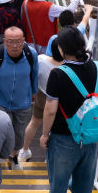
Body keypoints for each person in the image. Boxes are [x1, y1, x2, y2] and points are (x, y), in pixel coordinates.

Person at [34, 27, 98, 193]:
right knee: (85, 182)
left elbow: (50, 110)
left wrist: (44, 134)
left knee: (58, 185)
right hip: (90, 137)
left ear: (60, 48)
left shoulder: (58, 74)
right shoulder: (97, 67)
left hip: (63, 139)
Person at [0, 26, 38, 170]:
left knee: (19, 134)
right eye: (10, 42)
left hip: (23, 103)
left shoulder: (31, 54)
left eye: (18, 42)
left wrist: (33, 93)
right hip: (0, 101)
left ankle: (13, 157)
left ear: (24, 41)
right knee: (0, 131)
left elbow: (34, 75)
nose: (14, 46)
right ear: (4, 41)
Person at [17, 35, 63, 164]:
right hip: (61, 101)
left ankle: (24, 150)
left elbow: (33, 75)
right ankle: (49, 157)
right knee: (55, 129)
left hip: (42, 96)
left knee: (33, 123)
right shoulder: (67, 66)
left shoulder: (41, 59)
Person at [21, 0, 86, 53]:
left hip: (29, 43)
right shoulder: (49, 7)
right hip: (46, 46)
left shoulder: (25, 4)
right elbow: (69, 11)